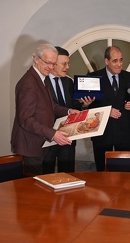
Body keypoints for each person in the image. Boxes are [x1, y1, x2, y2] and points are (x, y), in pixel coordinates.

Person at [11, 43, 79, 174]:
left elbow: (50, 105)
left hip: (39, 142)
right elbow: (26, 120)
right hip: (30, 145)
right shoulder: (29, 83)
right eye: (47, 62)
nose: (50, 67)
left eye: (53, 64)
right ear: (36, 59)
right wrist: (52, 134)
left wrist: (69, 111)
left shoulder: (43, 78)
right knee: (35, 190)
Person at [88, 46, 130, 171]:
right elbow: (89, 106)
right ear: (106, 61)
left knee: (125, 171)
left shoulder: (129, 77)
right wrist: (106, 111)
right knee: (102, 171)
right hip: (101, 133)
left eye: (121, 60)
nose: (119, 64)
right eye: (115, 61)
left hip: (124, 132)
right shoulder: (94, 77)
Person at [42, 46, 95, 174]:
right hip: (47, 137)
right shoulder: (41, 82)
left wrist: (84, 106)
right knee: (45, 175)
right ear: (53, 64)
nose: (67, 67)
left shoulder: (69, 82)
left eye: (68, 63)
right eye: (64, 64)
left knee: (67, 175)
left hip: (68, 136)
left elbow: (73, 106)